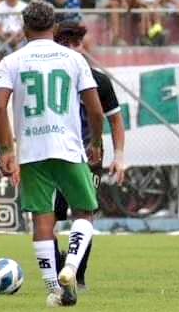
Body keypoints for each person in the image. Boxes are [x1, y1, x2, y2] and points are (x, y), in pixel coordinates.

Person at [0, 1, 105, 307]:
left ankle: (55, 288)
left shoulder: (11, 61)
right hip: (68, 147)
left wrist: (6, 150)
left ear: (24, 28)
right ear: (54, 28)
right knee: (84, 212)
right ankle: (70, 268)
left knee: (43, 219)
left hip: (31, 151)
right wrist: (96, 142)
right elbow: (95, 110)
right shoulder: (74, 59)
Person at [49, 21, 127, 289]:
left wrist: (119, 155)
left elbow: (115, 121)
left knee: (84, 212)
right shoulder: (50, 79)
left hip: (89, 153)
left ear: (82, 45)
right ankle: (58, 267)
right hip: (54, 153)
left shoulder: (99, 80)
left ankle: (78, 274)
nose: (71, 48)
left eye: (76, 43)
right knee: (50, 216)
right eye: (65, 43)